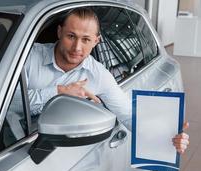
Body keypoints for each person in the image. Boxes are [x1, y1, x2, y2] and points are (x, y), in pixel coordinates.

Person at [16, 7, 189, 154]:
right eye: (71, 36)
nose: (77, 47)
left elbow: (129, 115)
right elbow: (5, 107)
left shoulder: (98, 75)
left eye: (86, 40)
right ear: (59, 32)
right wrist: (59, 92)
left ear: (96, 41)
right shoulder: (28, 57)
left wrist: (169, 136)